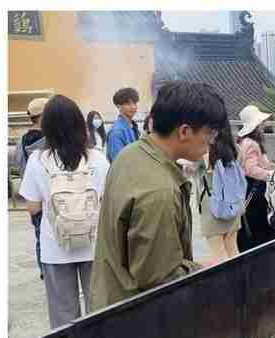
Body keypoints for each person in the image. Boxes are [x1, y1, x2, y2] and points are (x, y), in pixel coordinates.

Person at [89, 81, 226, 311]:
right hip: (135, 316)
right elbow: (158, 278)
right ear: (184, 131)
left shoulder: (130, 154)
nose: (210, 143)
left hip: (110, 299)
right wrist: (200, 269)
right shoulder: (159, 192)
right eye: (209, 134)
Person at [18, 95, 110, 328]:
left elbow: (32, 207)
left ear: (46, 126)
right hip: (94, 245)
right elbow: (108, 200)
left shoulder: (38, 160)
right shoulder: (97, 159)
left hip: (55, 247)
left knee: (63, 317)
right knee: (98, 312)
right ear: (80, 123)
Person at [236, 105, 275, 252]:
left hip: (250, 188)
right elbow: (251, 169)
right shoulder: (251, 143)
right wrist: (271, 175)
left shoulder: (245, 141)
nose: (263, 126)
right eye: (261, 123)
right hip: (255, 190)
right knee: (259, 226)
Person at [198, 125, 243, 263]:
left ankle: (226, 284)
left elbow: (188, 168)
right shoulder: (236, 149)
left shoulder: (202, 150)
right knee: (233, 249)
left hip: (212, 203)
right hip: (232, 201)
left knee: (217, 254)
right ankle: (241, 282)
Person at [14, 97, 48, 280]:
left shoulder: (22, 141)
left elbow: (20, 167)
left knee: (38, 233)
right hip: (52, 197)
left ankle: (43, 269)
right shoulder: (51, 139)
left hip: (34, 199)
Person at [106, 87, 141, 162]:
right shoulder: (116, 132)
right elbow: (117, 162)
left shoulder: (133, 126)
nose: (133, 107)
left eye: (134, 103)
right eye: (128, 104)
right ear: (118, 106)